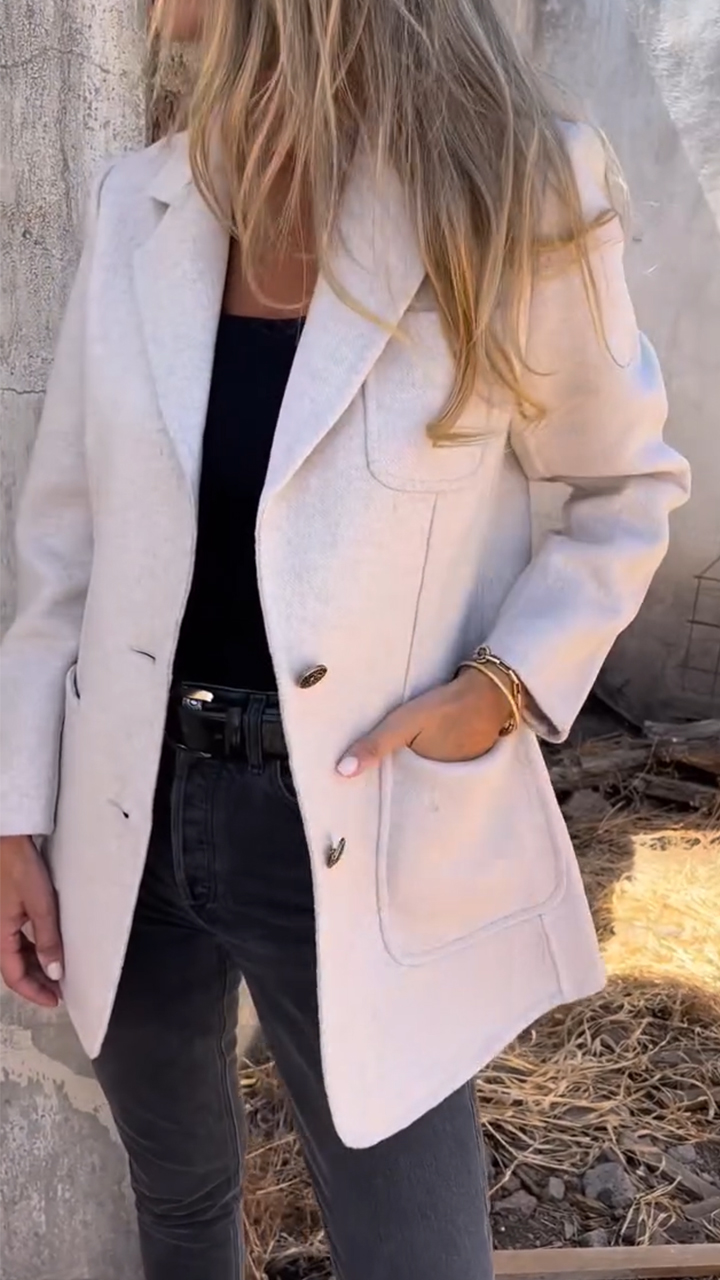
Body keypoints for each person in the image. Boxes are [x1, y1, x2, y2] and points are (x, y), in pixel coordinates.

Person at [0, 0, 690, 1276]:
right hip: (127, 810)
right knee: (180, 1202)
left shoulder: (512, 183)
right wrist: (13, 810)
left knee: (415, 1251)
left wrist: (503, 685)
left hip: (363, 809)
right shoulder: (143, 201)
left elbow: (624, 485)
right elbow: (64, 546)